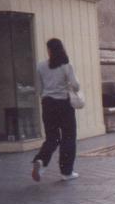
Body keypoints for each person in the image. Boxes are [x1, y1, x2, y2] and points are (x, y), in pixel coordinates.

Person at [31, 38, 80, 182]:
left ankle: (41, 160)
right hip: (64, 105)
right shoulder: (66, 66)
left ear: (49, 50)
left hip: (48, 104)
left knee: (52, 138)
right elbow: (76, 86)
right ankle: (66, 172)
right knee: (68, 137)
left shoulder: (40, 66)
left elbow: (39, 89)